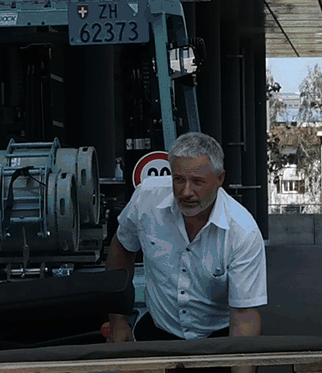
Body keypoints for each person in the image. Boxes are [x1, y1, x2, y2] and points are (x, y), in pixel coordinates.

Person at [101, 132, 266, 343]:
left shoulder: (242, 230)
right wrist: (117, 320)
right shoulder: (146, 199)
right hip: (160, 330)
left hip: (220, 336)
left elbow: (244, 318)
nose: (186, 192)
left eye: (197, 181)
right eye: (178, 179)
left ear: (219, 179)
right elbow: (122, 247)